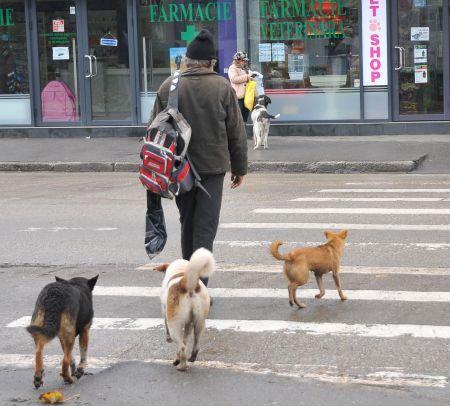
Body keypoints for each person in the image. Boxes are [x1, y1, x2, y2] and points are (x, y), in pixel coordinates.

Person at [149, 29, 248, 287]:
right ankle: (197, 287)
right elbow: (236, 132)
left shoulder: (168, 86)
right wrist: (239, 168)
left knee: (188, 224)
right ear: (211, 62)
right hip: (211, 170)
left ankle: (188, 281)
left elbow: (153, 129)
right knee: (205, 229)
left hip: (177, 169)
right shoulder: (222, 87)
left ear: (188, 60)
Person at [228, 51, 253, 123]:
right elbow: (234, 79)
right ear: (238, 60)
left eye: (245, 61)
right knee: (238, 119)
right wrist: (247, 77)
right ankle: (239, 134)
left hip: (247, 96)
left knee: (244, 118)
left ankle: (244, 133)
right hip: (238, 97)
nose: (245, 63)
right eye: (243, 61)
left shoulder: (245, 68)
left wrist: (253, 75)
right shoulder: (232, 68)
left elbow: (250, 76)